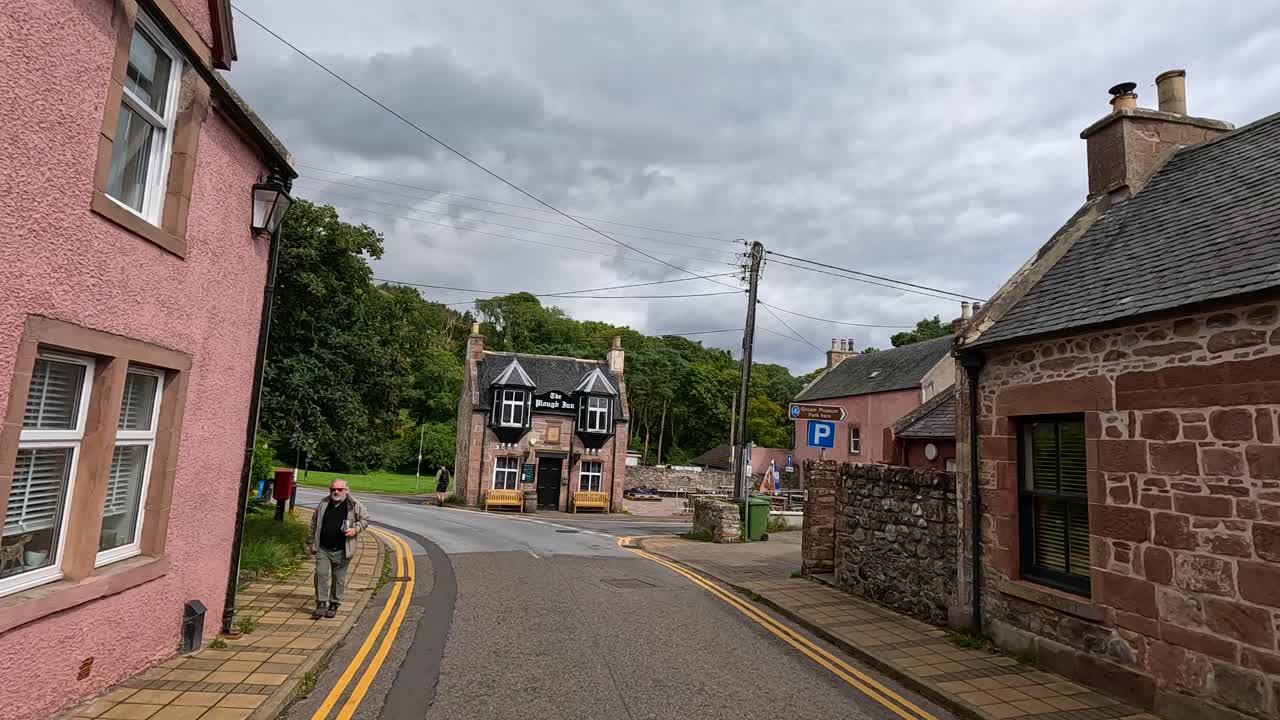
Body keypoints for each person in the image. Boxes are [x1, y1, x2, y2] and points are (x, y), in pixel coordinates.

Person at [308, 479, 369, 619]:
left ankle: (334, 603)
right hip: (323, 547)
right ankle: (321, 603)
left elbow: (365, 520)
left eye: (339, 489)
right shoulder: (323, 504)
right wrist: (310, 542)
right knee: (321, 574)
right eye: (333, 489)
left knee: (338, 578)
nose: (336, 492)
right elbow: (314, 523)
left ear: (346, 491)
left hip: (343, 549)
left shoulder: (354, 505)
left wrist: (355, 529)